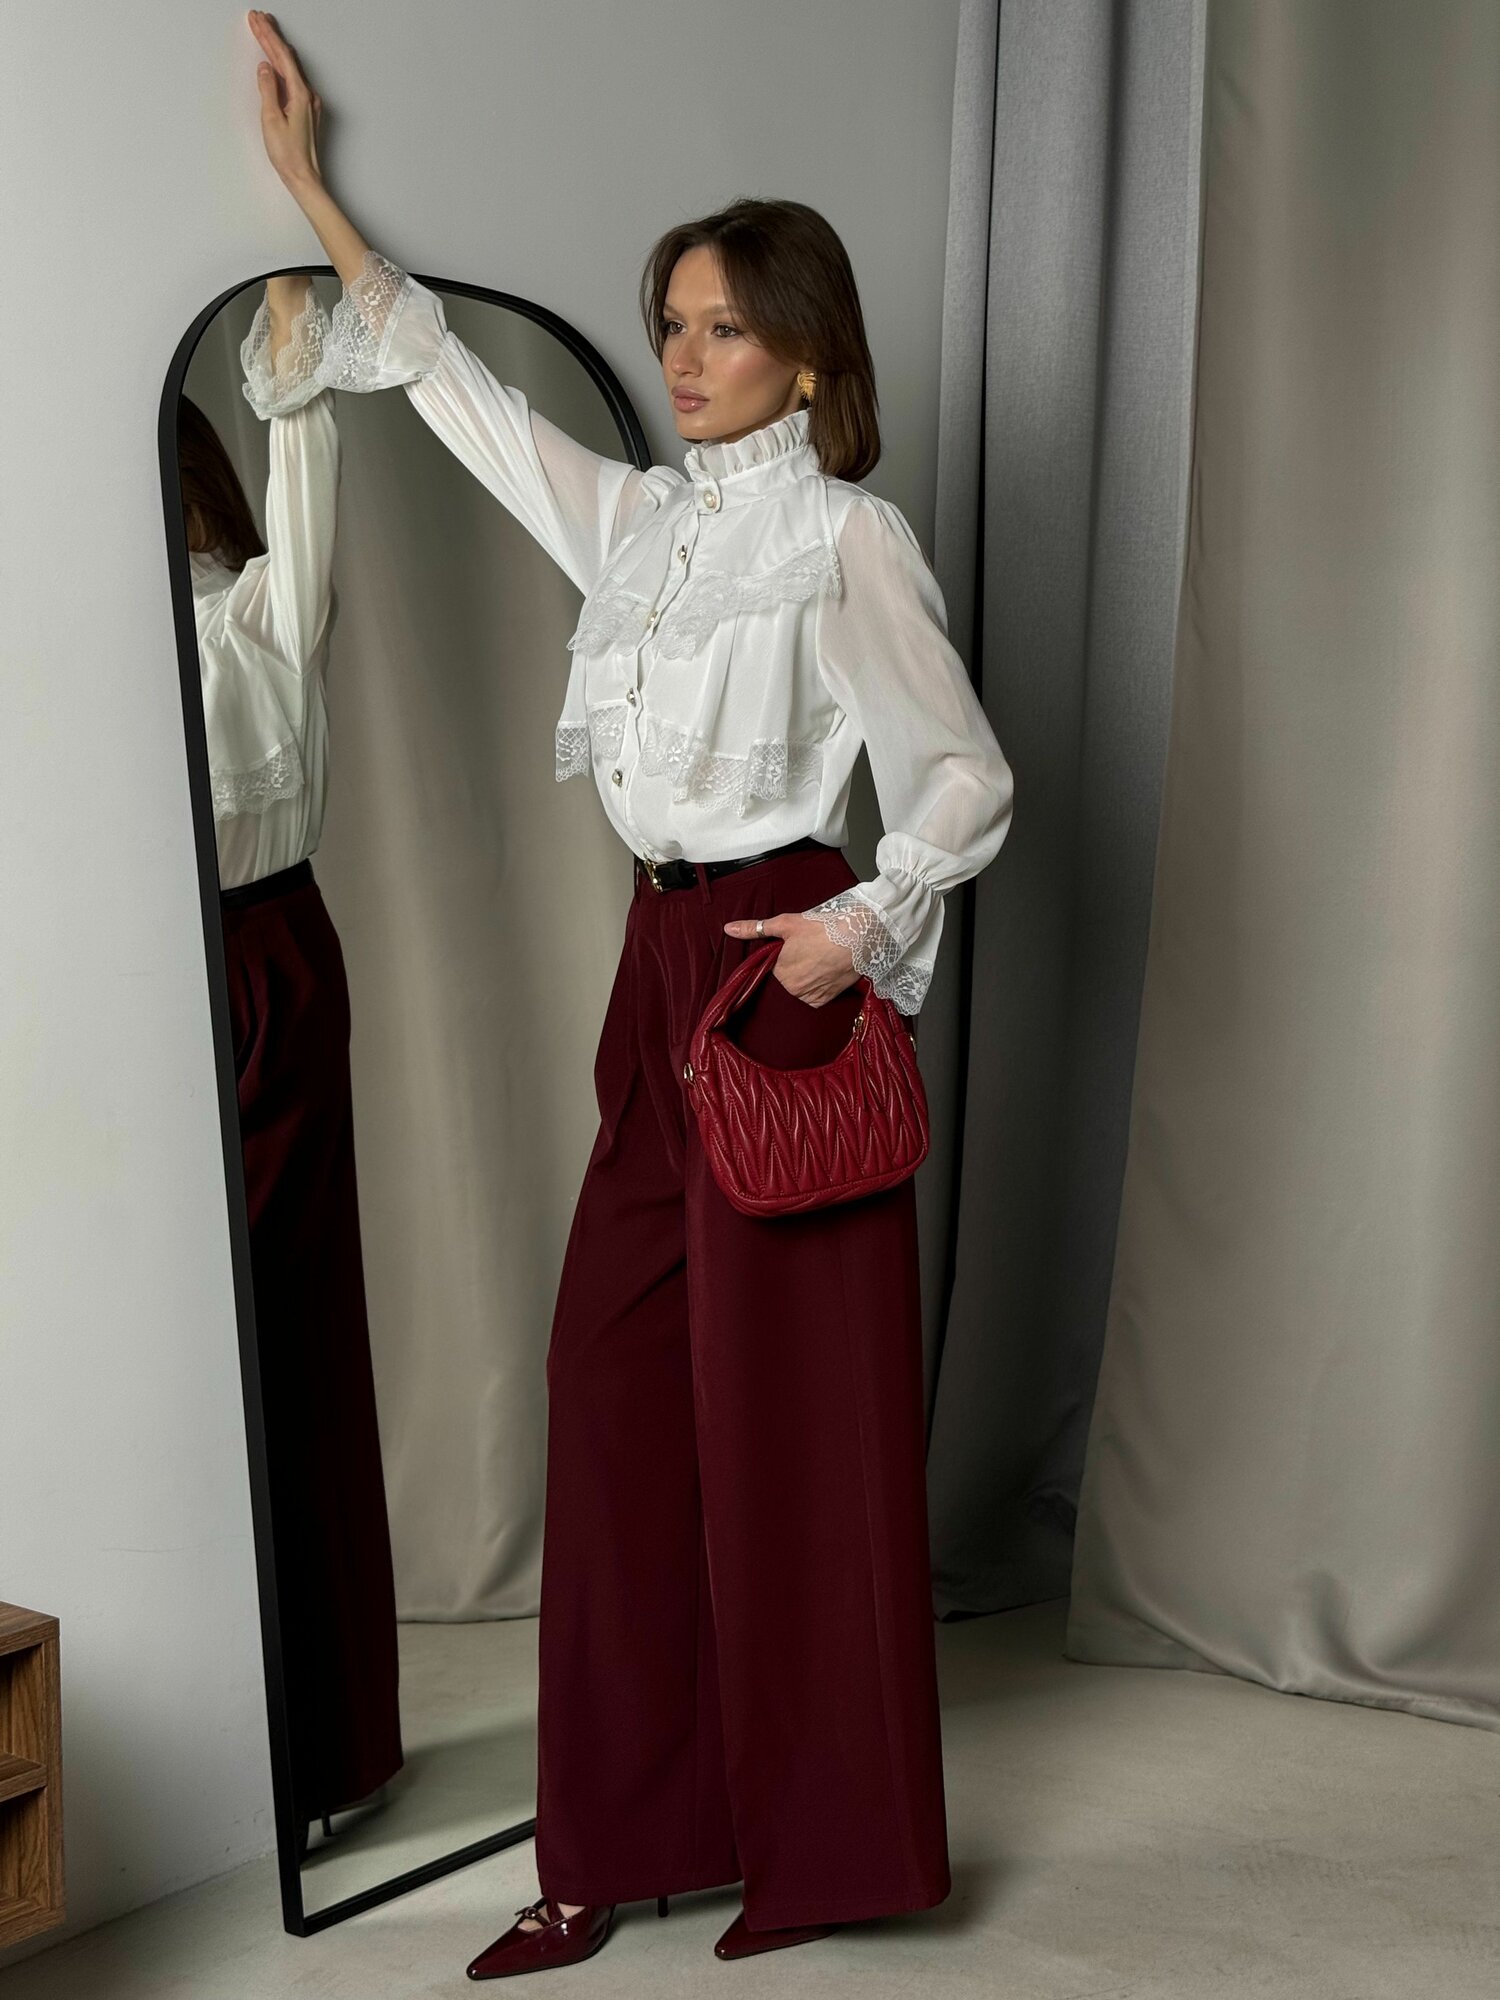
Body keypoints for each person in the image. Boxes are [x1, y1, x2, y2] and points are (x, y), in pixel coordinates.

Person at [246, 8, 1015, 1977]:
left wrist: (857, 924)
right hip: (652, 969)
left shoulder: (847, 539)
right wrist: (315, 196)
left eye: (723, 328)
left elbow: (963, 775)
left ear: (808, 354)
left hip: (781, 966)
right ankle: (613, 1840)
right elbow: (466, 402)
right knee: (614, 1400)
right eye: (670, 322)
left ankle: (825, 1849)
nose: (683, 356)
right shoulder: (646, 524)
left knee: (792, 1437)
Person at [181, 265, 403, 1849]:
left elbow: (302, 454)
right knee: (217, 1348)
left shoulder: (252, 608)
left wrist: (284, 306)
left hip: (258, 958)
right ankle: (256, 1758)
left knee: (283, 1337)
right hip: (188, 965)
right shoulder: (98, 635)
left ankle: (313, 1755)